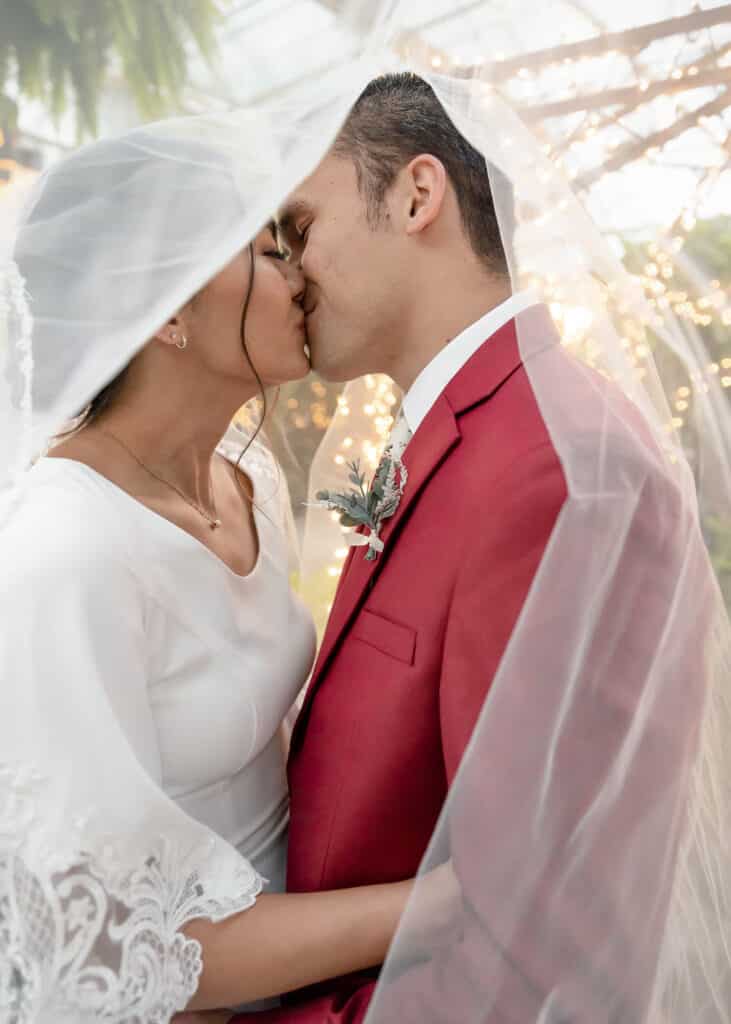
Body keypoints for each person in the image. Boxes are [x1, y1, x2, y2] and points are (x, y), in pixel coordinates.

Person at [230, 71, 721, 1023]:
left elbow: (540, 934)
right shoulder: (465, 431)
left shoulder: (557, 465)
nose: (288, 270)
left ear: (417, 196)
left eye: (301, 226)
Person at [0, 122, 444, 1021]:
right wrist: (455, 903)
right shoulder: (64, 554)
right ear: (165, 306)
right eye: (268, 246)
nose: (302, 272)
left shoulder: (249, 481)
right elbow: (120, 950)